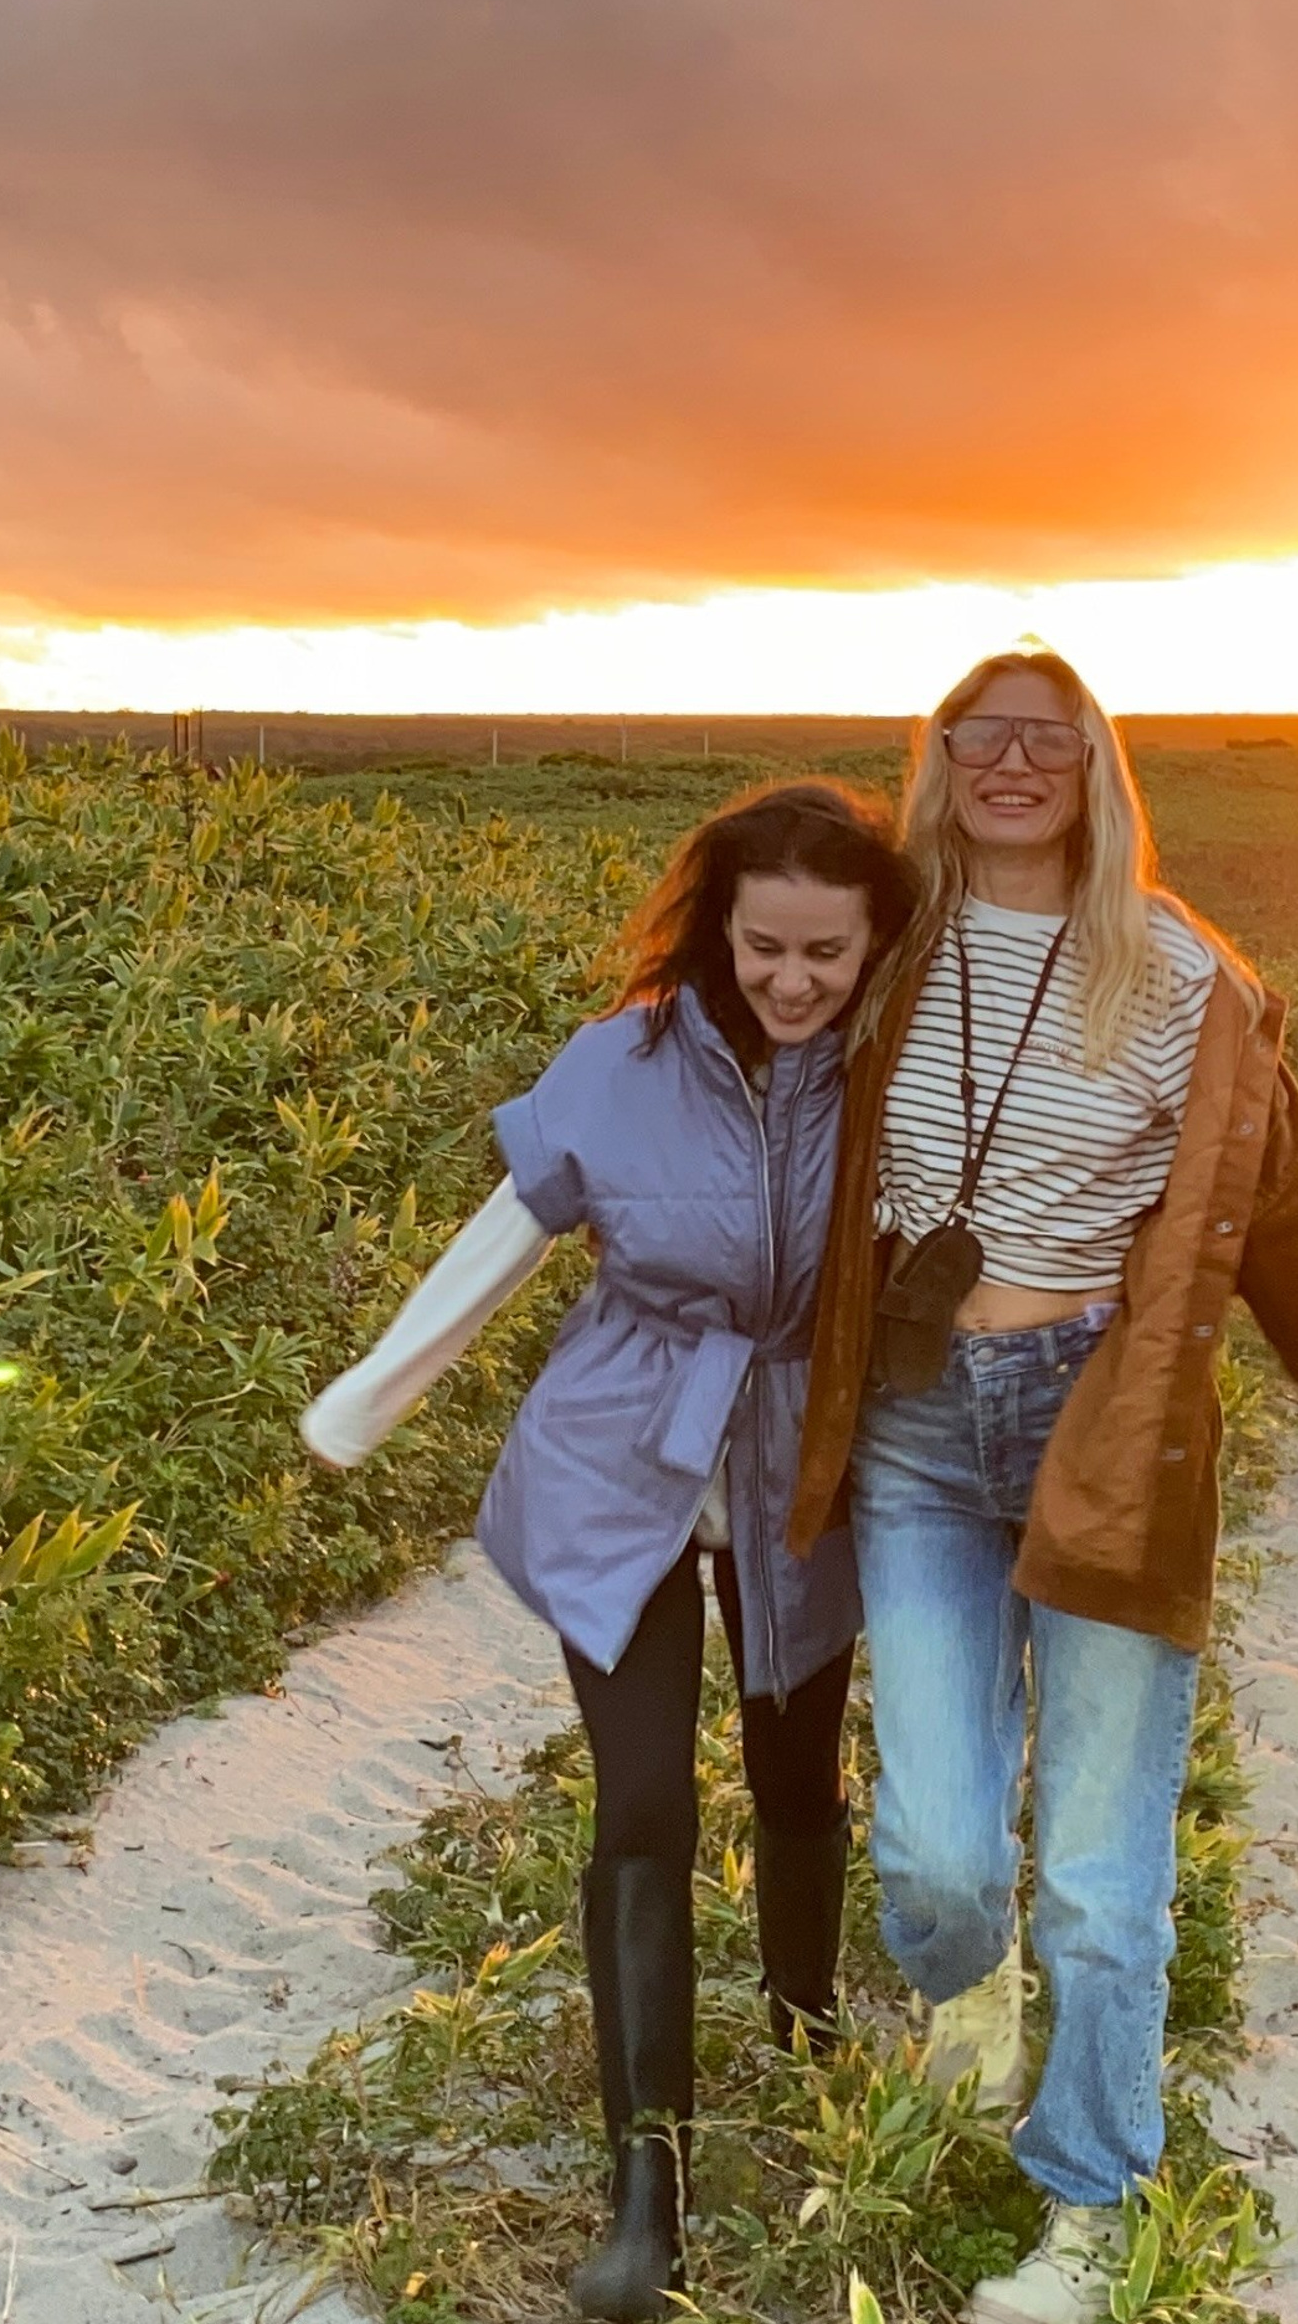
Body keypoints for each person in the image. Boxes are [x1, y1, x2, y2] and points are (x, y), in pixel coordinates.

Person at [787, 652, 1298, 2324]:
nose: (1009, 761)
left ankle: (1091, 2207)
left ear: (1095, 763)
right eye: (974, 734)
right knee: (934, 1856)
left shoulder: (1187, 980)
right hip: (918, 1429)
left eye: (1043, 736)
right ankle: (964, 1998)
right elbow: (736, 1065)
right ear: (934, 762)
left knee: (1098, 1867)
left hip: (1104, 1426)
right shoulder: (885, 945)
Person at [302, 780, 914, 2324]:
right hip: (623, 1449)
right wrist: (374, 1392)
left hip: (802, 1458)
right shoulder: (619, 1064)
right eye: (762, 944)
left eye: (823, 955)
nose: (789, 980)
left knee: (795, 1769)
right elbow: (508, 1232)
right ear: (718, 926)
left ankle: (806, 2034)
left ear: (874, 945)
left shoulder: (900, 1069)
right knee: (640, 1798)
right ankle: (649, 2184)